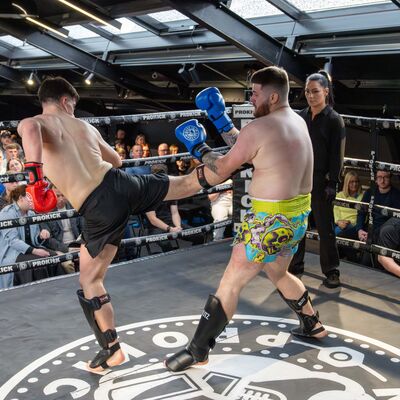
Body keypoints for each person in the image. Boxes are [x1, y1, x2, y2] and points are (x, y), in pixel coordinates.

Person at [17, 76, 223, 373]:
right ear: (65, 101)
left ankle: (111, 350)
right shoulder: (85, 127)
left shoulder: (35, 122)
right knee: (186, 184)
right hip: (122, 184)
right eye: (73, 105)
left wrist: (35, 177)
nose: (73, 111)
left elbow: (30, 128)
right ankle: (231, 158)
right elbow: (114, 160)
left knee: (90, 281)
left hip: (99, 205)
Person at [165, 66, 327, 373]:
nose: (250, 98)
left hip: (267, 222)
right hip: (297, 218)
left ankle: (198, 350)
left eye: (254, 93)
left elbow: (224, 167)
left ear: (273, 95)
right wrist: (221, 120)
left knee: (230, 282)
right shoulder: (297, 121)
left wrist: (199, 148)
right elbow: (253, 149)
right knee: (278, 272)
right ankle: (312, 324)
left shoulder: (260, 128)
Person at [288, 70, 346, 289]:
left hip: (321, 181)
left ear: (325, 92)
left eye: (315, 92)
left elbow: (336, 155)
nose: (311, 96)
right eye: (307, 92)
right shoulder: (300, 116)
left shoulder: (334, 120)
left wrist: (334, 184)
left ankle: (331, 270)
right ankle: (295, 267)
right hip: (299, 179)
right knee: (297, 226)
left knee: (325, 228)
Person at [0, 184, 65, 288]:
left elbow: (34, 240)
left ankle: (60, 288)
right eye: (31, 197)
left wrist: (41, 236)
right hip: (12, 254)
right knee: (36, 261)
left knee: (52, 255)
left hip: (30, 250)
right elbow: (13, 242)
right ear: (21, 198)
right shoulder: (6, 213)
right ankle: (40, 293)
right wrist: (35, 251)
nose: (35, 200)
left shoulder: (31, 213)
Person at [356, 170, 400, 266]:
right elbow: (361, 213)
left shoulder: (397, 195)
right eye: (379, 177)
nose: (382, 180)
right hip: (368, 228)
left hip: (384, 231)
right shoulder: (369, 192)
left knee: (366, 262)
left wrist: (371, 234)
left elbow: (395, 221)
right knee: (342, 235)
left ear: (390, 178)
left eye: (386, 177)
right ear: (376, 179)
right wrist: (359, 229)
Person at [334, 171, 363, 238]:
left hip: (354, 225)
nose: (355, 184)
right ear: (347, 183)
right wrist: (339, 222)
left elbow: (363, 216)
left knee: (336, 233)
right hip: (340, 223)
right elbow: (336, 211)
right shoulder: (340, 195)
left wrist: (349, 223)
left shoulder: (362, 196)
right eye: (351, 182)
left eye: (356, 181)